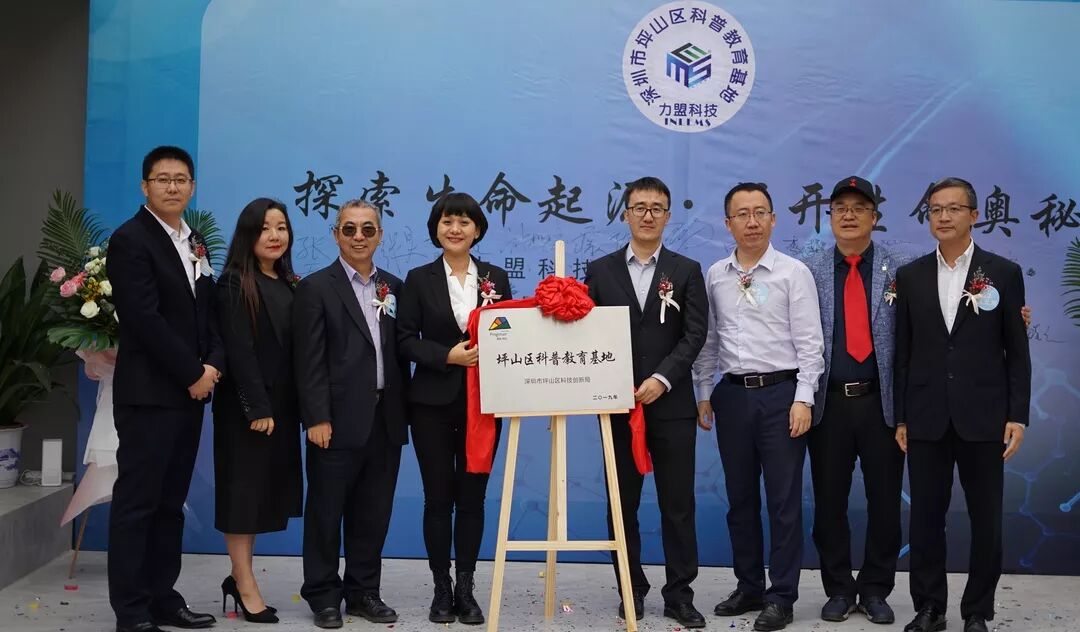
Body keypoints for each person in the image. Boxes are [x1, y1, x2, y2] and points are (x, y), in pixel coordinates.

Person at [894, 177, 1031, 632]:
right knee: (925, 519)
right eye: (935, 209)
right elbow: (903, 352)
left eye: (953, 208)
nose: (944, 217)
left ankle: (977, 611)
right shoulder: (911, 276)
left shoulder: (1003, 273)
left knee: (985, 519)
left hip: (984, 416)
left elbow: (1017, 351)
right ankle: (929, 607)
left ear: (974, 215)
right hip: (926, 416)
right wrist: (901, 415)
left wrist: (1017, 415)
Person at [693, 182, 825, 632]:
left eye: (760, 213)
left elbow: (810, 343)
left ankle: (781, 596)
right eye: (742, 214)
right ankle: (748, 585)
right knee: (740, 499)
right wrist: (704, 392)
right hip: (732, 396)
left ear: (773, 219)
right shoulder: (716, 275)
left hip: (781, 396)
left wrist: (803, 397)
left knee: (783, 502)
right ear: (728, 223)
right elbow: (709, 340)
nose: (752, 222)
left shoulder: (792, 272)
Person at [106, 145, 224, 632]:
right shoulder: (130, 239)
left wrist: (213, 363)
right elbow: (143, 319)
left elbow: (207, 311)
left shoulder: (194, 240)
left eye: (181, 179)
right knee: (138, 503)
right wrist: (192, 373)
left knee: (171, 503)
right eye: (163, 179)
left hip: (189, 394)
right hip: (150, 394)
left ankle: (162, 597)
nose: (172, 187)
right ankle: (131, 609)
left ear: (192, 187)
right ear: (145, 186)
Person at [582, 176, 708, 628]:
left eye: (657, 208)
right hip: (617, 406)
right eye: (640, 207)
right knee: (622, 504)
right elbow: (585, 333)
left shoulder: (686, 270)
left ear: (668, 216)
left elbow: (695, 334)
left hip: (671, 406)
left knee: (678, 504)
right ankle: (630, 588)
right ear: (626, 214)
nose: (648, 215)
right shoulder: (600, 270)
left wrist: (662, 378)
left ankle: (680, 594)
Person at [396, 192, 512, 625]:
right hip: (431, 405)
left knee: (472, 499)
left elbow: (509, 334)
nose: (455, 229)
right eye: (447, 221)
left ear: (477, 229)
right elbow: (404, 340)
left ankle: (466, 588)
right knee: (438, 498)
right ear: (436, 229)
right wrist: (448, 355)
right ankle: (441, 588)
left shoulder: (496, 277)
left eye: (464, 221)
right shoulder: (418, 278)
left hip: (484, 405)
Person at [293, 200, 409, 629]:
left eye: (367, 229)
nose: (358, 236)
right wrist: (316, 418)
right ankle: (324, 595)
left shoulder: (394, 287)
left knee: (373, 514)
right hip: (335, 421)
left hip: (385, 418)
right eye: (349, 229)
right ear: (336, 234)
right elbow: (307, 359)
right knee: (326, 514)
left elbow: (401, 352)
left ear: (380, 235)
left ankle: (363, 593)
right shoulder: (315, 287)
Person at [803, 176, 910, 625]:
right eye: (840, 208)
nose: (848, 215)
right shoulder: (806, 271)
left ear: (875, 218)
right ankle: (839, 589)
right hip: (828, 405)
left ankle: (876, 588)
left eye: (858, 208)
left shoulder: (902, 270)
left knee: (885, 502)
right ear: (829, 217)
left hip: (882, 405)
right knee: (829, 502)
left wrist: (1008, 317)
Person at [212, 198, 303, 624]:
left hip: (281, 407)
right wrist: (256, 407)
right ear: (248, 234)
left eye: (281, 227)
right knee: (242, 495)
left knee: (261, 495)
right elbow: (239, 350)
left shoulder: (289, 283)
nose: (274, 236)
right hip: (247, 411)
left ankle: (239, 576)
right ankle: (244, 583)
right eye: (265, 228)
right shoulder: (234, 283)